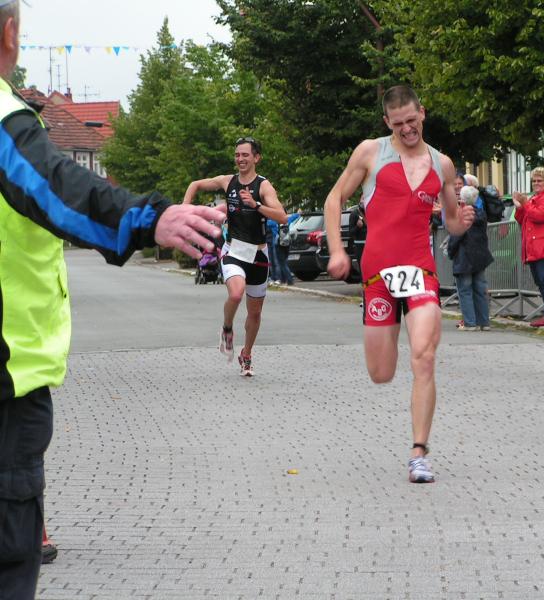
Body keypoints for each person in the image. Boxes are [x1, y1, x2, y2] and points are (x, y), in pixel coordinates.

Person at [0, 2, 223, 596]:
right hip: (7, 381)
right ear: (10, 32)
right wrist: (146, 218)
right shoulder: (3, 119)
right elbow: (55, 186)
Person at [322, 85, 475, 483]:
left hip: (420, 270)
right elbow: (334, 199)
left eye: (412, 120)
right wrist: (337, 251)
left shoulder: (442, 164)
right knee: (381, 372)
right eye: (398, 123)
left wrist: (462, 222)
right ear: (386, 122)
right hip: (377, 275)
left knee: (424, 356)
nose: (407, 129)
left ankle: (419, 452)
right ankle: (414, 441)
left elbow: (451, 221)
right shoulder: (370, 153)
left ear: (422, 113)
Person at [183, 137, 287, 377]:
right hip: (234, 250)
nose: (240, 159)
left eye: (245, 155)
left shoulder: (263, 186)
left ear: (256, 158)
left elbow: (282, 216)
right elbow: (194, 184)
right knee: (236, 293)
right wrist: (184, 208)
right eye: (237, 155)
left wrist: (256, 205)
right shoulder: (227, 181)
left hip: (258, 254)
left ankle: (246, 354)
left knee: (255, 313)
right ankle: (227, 329)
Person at [512, 167, 544, 327]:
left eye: (539, 180)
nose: (536, 183)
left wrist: (525, 203)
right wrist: (519, 206)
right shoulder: (534, 198)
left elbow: (540, 216)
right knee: (542, 282)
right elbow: (522, 218)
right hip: (537, 247)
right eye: (534, 181)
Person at [448, 181, 494, 331]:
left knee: (465, 291)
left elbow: (456, 236)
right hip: (479, 256)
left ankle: (470, 323)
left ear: (461, 198)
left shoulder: (461, 215)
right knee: (480, 289)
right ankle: (484, 322)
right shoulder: (481, 214)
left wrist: (450, 251)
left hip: (464, 256)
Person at [276, 210, 300, 285]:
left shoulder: (276, 221)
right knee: (284, 262)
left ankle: (289, 280)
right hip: (287, 243)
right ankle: (283, 280)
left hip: (279, 244)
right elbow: (293, 217)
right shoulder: (287, 220)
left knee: (282, 263)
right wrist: (298, 213)